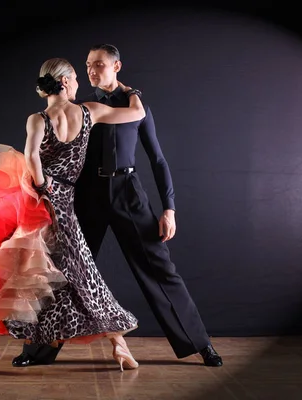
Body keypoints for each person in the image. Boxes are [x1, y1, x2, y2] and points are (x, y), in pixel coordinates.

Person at [0, 57, 147, 373]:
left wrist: (41, 188)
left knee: (9, 272)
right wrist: (129, 89)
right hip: (58, 200)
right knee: (83, 273)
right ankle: (120, 347)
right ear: (63, 82)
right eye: (74, 76)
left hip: (34, 197)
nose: (78, 82)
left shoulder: (38, 119)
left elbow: (32, 156)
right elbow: (137, 112)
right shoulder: (90, 111)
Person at [12, 44, 223, 368]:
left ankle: (200, 344)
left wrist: (169, 208)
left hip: (127, 192)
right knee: (63, 272)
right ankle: (36, 351)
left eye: (98, 64)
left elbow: (158, 159)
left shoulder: (136, 106)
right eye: (87, 65)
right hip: (86, 195)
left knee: (161, 270)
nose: (92, 71)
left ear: (117, 66)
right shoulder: (82, 108)